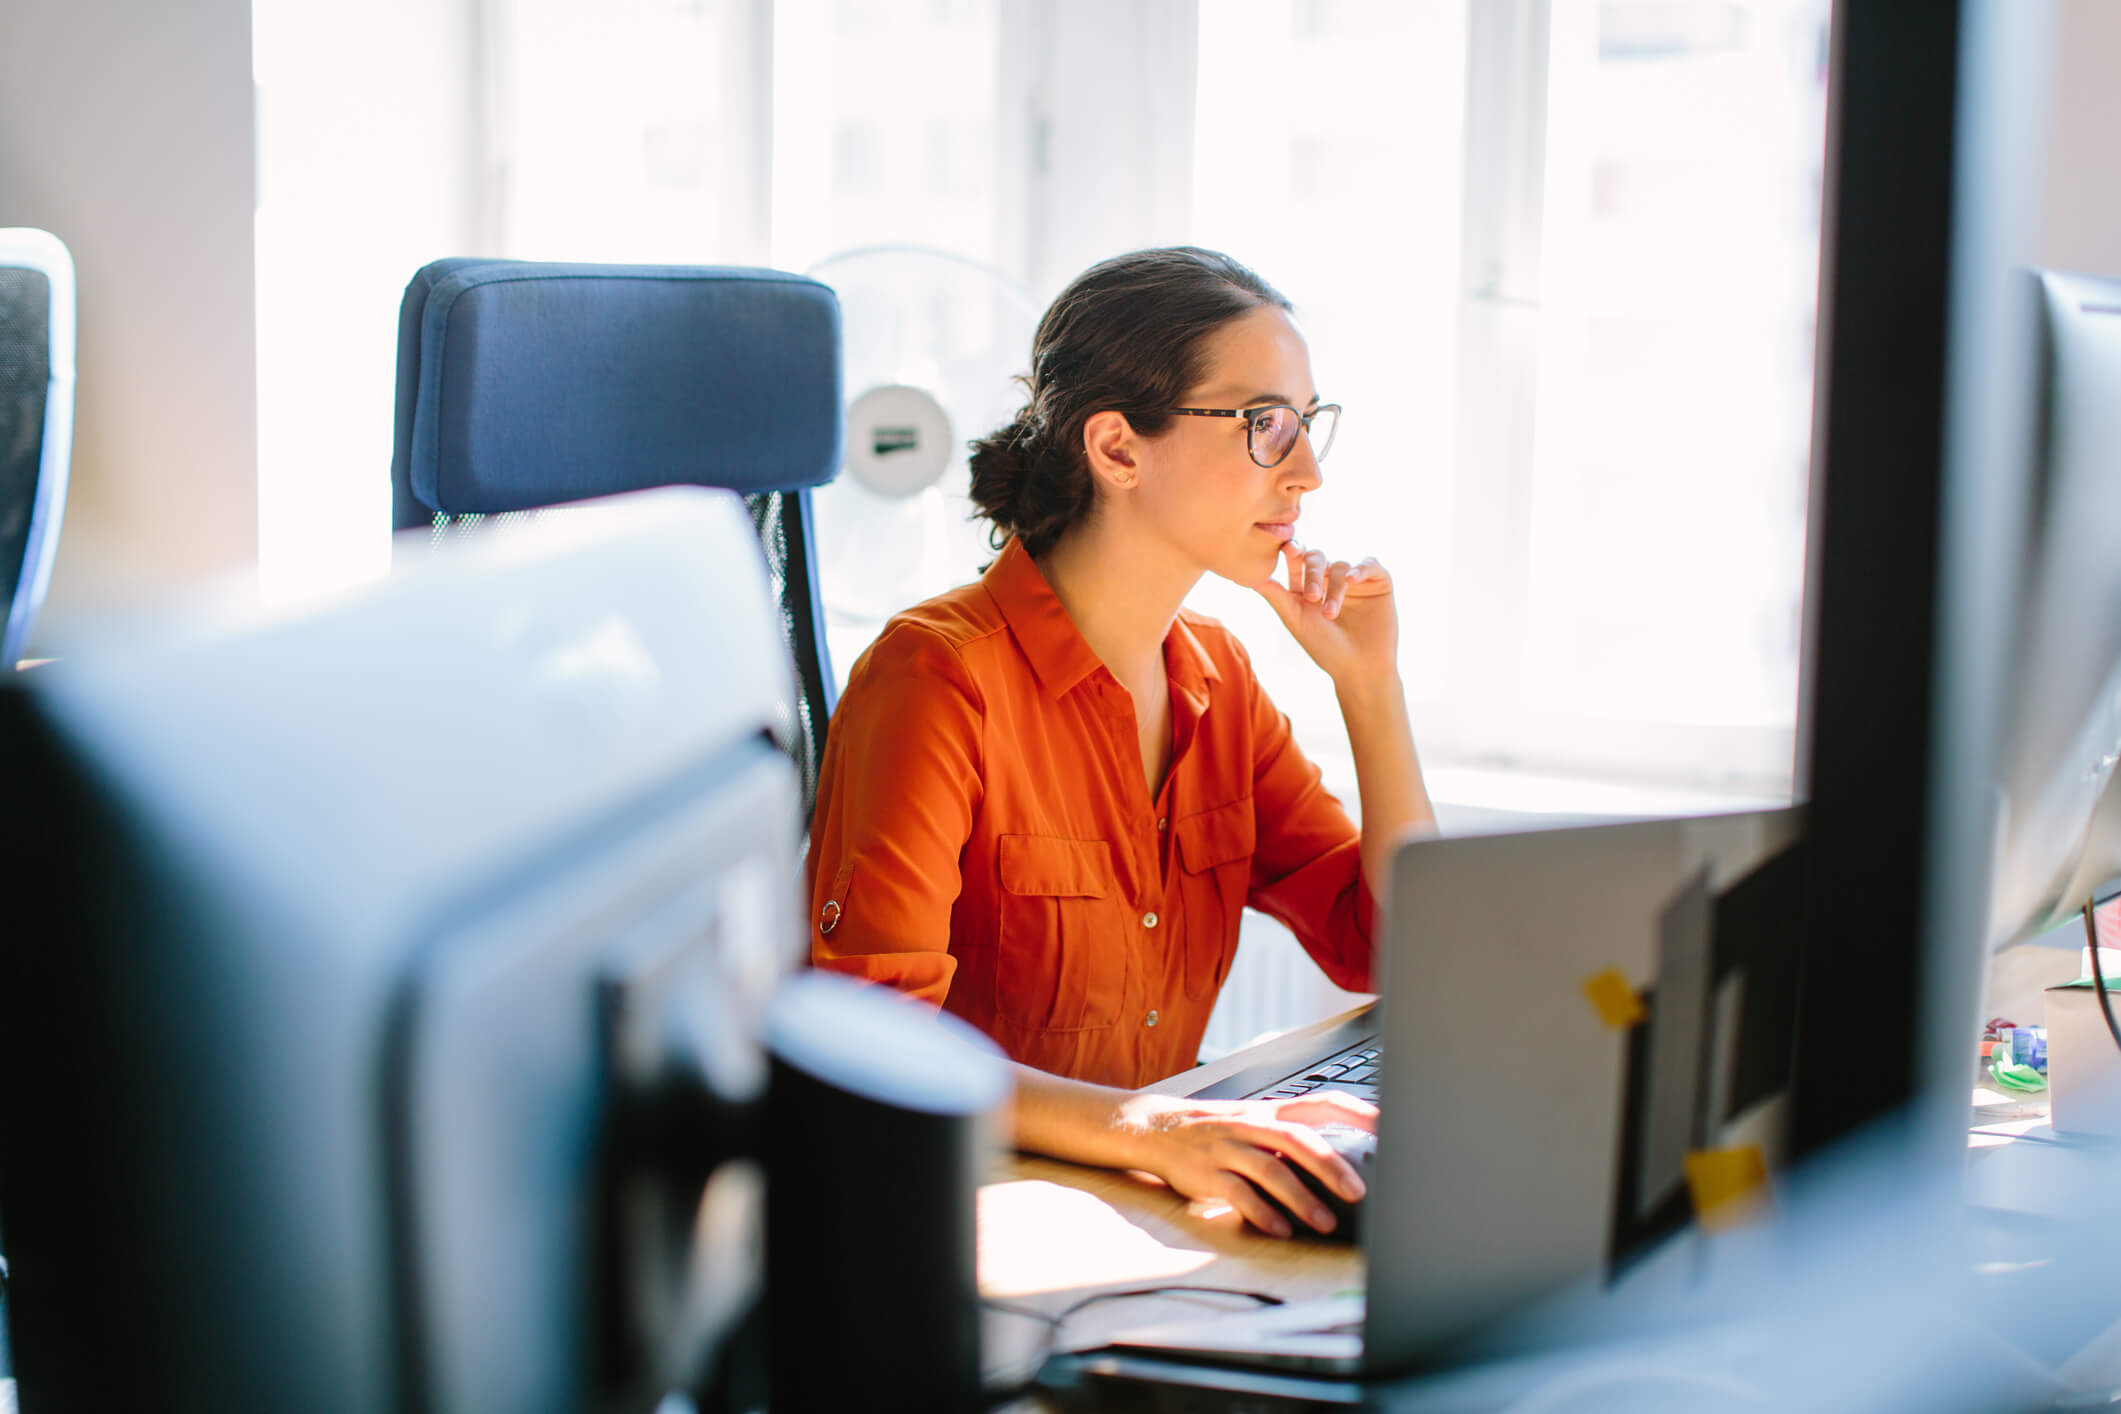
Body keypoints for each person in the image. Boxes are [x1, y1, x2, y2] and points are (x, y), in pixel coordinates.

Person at [806, 247, 1435, 1239]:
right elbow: (874, 1045)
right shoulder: (936, 680)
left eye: (1309, 426)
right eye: (1266, 426)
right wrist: (1149, 1125)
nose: (1307, 473)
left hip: (1137, 1205)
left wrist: (1370, 688)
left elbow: (1393, 947)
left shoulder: (1218, 680)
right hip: (960, 1224)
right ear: (1117, 449)